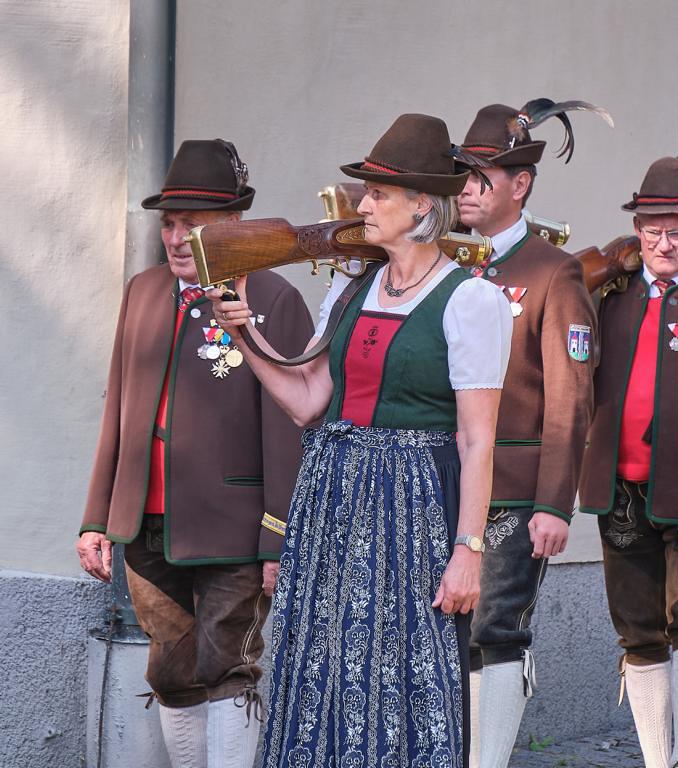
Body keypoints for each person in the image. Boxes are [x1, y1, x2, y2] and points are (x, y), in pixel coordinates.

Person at [209, 113, 513, 767]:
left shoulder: (471, 302)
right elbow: (306, 402)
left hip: (414, 509)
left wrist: (468, 552)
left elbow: (478, 439)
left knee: (401, 668)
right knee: (320, 663)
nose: (363, 205)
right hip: (332, 504)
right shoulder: (353, 289)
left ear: (421, 206)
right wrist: (244, 334)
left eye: (378, 193)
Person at [76, 139, 314, 768]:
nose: (178, 238)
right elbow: (119, 408)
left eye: (195, 224)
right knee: (172, 671)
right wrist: (98, 516)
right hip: (145, 523)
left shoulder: (273, 298)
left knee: (228, 668)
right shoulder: (143, 290)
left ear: (234, 224)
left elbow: (288, 430)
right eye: (170, 224)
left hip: (236, 529)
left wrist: (277, 538)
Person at [454, 100, 599, 768]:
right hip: (447, 480)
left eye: (481, 176)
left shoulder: (551, 271)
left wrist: (553, 503)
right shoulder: (445, 266)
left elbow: (570, 395)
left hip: (513, 488)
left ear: (521, 184)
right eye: (462, 175)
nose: (466, 189)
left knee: (495, 627)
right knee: (446, 631)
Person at [578, 155, 678, 768]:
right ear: (636, 231)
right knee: (636, 627)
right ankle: (658, 759)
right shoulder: (613, 293)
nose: (664, 243)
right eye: (652, 230)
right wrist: (604, 265)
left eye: (677, 231)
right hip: (619, 484)